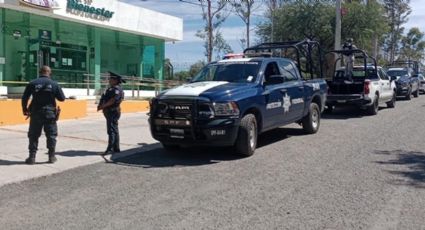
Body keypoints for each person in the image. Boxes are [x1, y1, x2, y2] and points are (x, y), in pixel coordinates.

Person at [22, 66, 65, 164]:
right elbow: (62, 98)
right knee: (51, 135)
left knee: (33, 135)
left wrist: (24, 109)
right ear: (50, 73)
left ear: (39, 72)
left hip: (36, 113)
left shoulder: (32, 83)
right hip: (50, 114)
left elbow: (24, 98)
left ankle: (32, 158)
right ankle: (51, 157)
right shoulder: (54, 84)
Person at [97, 71, 125, 155]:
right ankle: (116, 148)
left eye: (111, 78)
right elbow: (104, 97)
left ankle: (110, 148)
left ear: (116, 80)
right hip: (110, 111)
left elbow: (112, 100)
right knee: (114, 129)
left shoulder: (116, 89)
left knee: (111, 130)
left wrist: (103, 106)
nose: (109, 80)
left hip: (113, 111)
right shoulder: (111, 88)